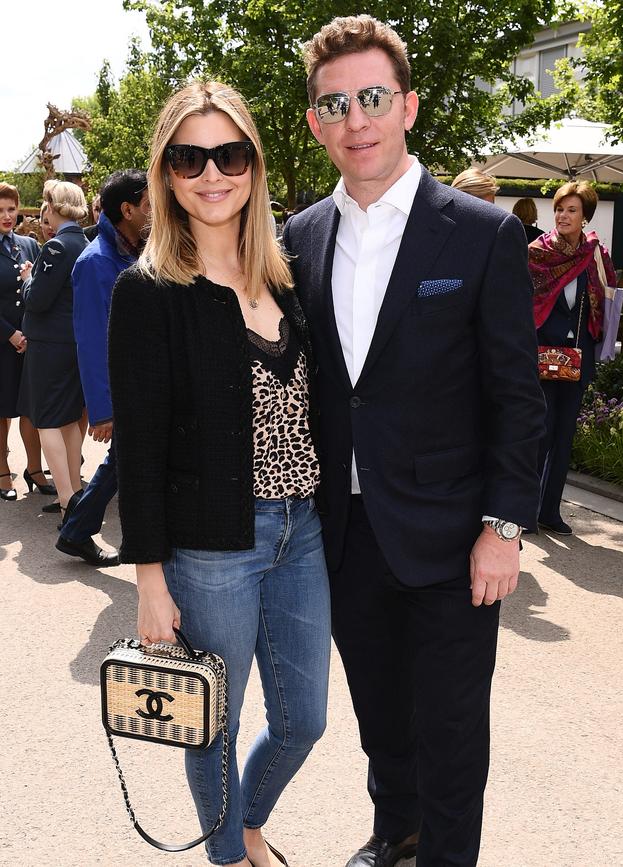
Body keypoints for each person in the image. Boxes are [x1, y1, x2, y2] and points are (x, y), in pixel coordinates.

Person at [283, 15, 546, 867]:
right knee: (380, 717)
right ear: (317, 121)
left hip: (454, 538)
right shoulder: (299, 236)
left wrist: (503, 529)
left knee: (452, 730)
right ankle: (394, 830)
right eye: (335, 103)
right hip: (345, 534)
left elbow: (518, 396)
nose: (356, 119)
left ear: (409, 106)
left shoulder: (481, 233)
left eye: (372, 97)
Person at [108, 80, 330, 867]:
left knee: (305, 718)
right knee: (215, 718)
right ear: (166, 173)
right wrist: (150, 577)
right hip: (210, 548)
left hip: (303, 530)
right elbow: (137, 444)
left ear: (253, 164)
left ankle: (247, 818)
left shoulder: (288, 270)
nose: (212, 173)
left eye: (228, 153)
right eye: (189, 157)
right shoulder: (148, 292)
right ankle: (230, 855)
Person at [56, 169, 150, 567]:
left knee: (125, 460)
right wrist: (103, 409)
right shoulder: (93, 263)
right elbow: (91, 341)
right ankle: (80, 531)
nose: (157, 211)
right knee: (125, 459)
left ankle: (77, 532)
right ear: (127, 210)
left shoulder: (139, 251)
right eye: (150, 205)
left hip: (147, 379)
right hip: (124, 387)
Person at [529, 181, 617, 535]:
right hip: (540, 356)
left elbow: (606, 298)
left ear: (585, 216)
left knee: (564, 436)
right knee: (541, 433)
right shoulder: (538, 253)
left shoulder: (595, 254)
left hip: (578, 357)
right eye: (560, 209)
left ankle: (550, 511)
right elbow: (524, 304)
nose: (563, 216)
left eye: (571, 210)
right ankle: (525, 510)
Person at [18, 181, 88, 524]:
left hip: (49, 346)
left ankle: (67, 501)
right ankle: (74, 490)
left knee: (47, 421)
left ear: (55, 206)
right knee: (69, 420)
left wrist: (29, 278)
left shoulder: (57, 247)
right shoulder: (84, 243)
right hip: (72, 344)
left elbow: (37, 300)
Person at [0, 183, 54, 501]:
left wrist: (30, 333)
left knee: (32, 409)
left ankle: (35, 469)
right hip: (2, 344)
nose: (7, 216)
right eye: (1, 210)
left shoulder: (28, 245)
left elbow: (39, 292)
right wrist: (10, 334)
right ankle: (3, 472)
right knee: (3, 412)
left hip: (30, 343)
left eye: (11, 209)